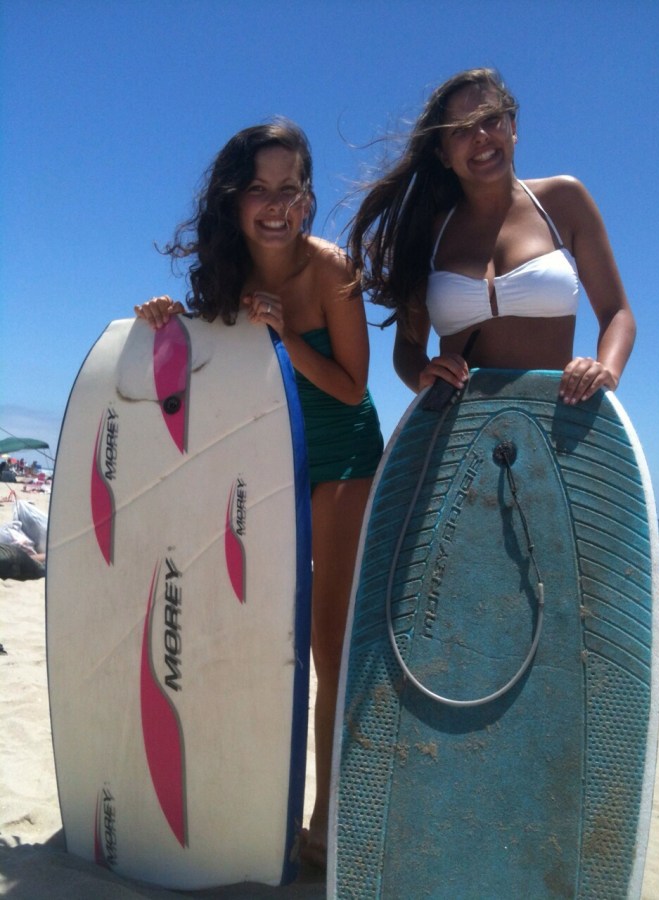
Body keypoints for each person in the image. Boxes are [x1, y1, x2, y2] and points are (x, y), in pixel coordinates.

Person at [135, 120, 383, 871]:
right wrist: (166, 323)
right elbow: (208, 365)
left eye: (291, 189)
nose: (276, 206)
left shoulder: (332, 268)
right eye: (258, 189)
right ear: (233, 198)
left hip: (341, 461)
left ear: (307, 198)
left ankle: (325, 817)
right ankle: (247, 796)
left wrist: (286, 337)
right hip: (266, 457)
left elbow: (353, 386)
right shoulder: (225, 271)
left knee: (326, 645)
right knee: (254, 631)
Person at [348, 68, 635, 402]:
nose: (480, 135)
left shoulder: (564, 201)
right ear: (443, 154)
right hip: (459, 426)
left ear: (513, 127)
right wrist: (423, 375)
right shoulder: (428, 232)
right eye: (460, 130)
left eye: (490, 119)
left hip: (557, 420)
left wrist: (606, 370)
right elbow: (408, 348)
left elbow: (617, 312)